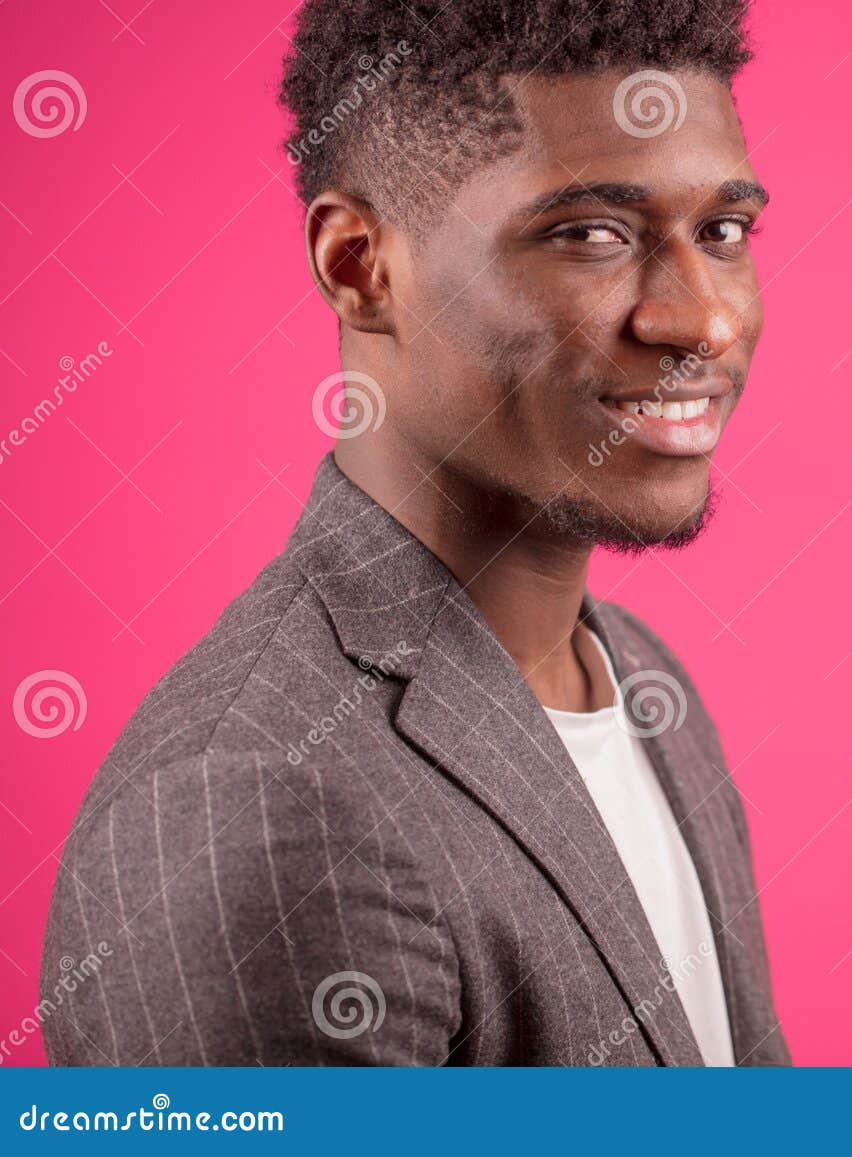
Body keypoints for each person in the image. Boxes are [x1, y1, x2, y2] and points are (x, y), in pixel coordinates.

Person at [40, 0, 787, 1066]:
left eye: (723, 231)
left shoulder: (647, 685)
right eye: (591, 235)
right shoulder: (253, 799)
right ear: (360, 267)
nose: (703, 317)